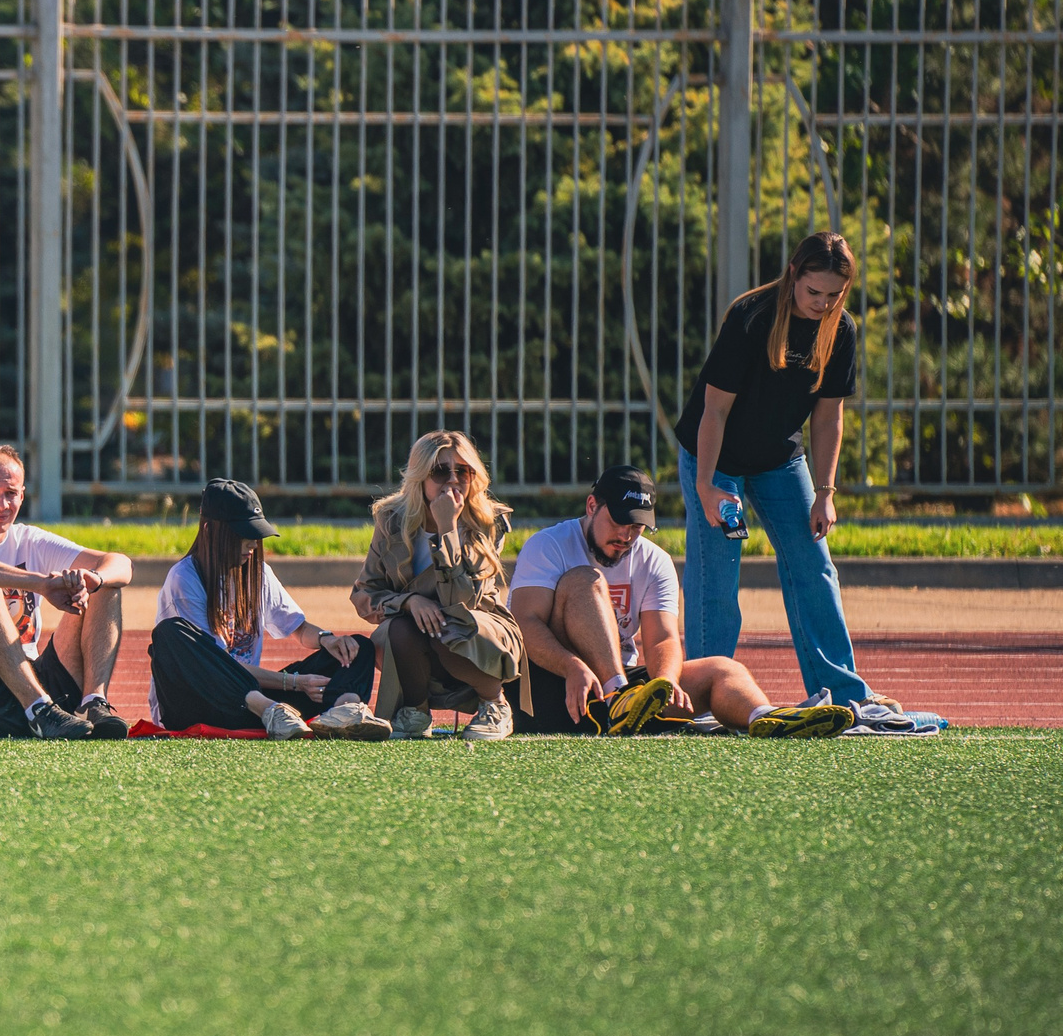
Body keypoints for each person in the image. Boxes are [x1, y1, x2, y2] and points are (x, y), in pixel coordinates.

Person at [674, 230, 876, 706]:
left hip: (781, 461)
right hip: (716, 459)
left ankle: (844, 693)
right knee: (717, 574)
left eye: (833, 295)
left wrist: (825, 492)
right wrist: (705, 487)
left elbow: (828, 418)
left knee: (815, 565)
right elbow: (715, 411)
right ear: (793, 275)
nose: (822, 303)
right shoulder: (752, 317)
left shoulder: (841, 330)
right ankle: (703, 698)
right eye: (813, 292)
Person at [508, 465, 855, 739]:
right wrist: (571, 666)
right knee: (586, 580)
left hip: (621, 702)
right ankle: (619, 698)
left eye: (637, 527)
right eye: (618, 522)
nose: (626, 536)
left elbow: (662, 638)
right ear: (591, 506)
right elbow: (524, 623)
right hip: (554, 689)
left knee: (722, 668)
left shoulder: (653, 560)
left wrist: (665, 683)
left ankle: (765, 719)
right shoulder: (548, 545)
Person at [149, 479, 392, 740]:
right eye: (243, 535)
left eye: (256, 535)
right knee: (169, 633)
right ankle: (272, 711)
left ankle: (345, 711)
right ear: (209, 530)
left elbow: (298, 628)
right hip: (201, 704)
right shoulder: (185, 578)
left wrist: (327, 639)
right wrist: (295, 683)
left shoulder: (257, 572)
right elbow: (219, 666)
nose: (253, 545)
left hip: (255, 703)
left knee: (357, 648)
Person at [0, 445, 132, 741]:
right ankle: (38, 709)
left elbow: (121, 564)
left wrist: (93, 578)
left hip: (44, 689)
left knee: (105, 584)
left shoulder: (30, 539)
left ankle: (93, 703)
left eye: (10, 493)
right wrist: (42, 585)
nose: (2, 503)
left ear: (22, 495)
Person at [352, 430, 525, 741]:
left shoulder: (489, 521)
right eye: (440, 471)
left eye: (463, 471)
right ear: (420, 476)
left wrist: (448, 529)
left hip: (477, 633)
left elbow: (463, 601)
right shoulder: (392, 519)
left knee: (450, 625)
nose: (453, 480)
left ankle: (494, 704)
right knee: (398, 629)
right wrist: (408, 603)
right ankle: (415, 712)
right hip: (418, 635)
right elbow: (365, 593)